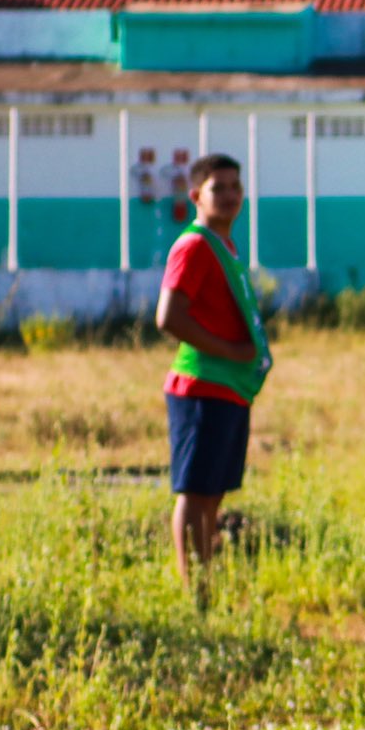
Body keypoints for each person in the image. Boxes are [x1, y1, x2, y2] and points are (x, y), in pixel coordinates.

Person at [155, 154, 269, 594]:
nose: (229, 196)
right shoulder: (194, 246)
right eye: (218, 188)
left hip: (229, 389)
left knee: (214, 494)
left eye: (235, 187)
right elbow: (169, 317)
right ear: (195, 196)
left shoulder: (225, 248)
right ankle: (195, 593)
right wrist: (229, 351)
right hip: (201, 385)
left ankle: (209, 581)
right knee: (195, 493)